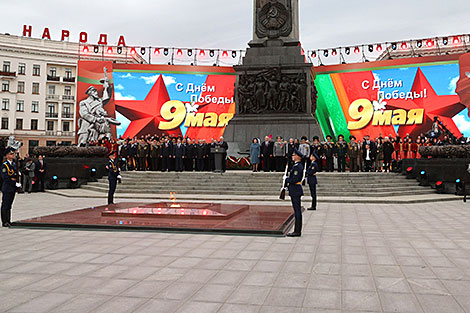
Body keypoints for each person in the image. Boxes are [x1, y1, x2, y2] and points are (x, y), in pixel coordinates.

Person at [284, 149, 304, 237]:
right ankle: (297, 230)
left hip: (295, 190)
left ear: (298, 157)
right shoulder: (296, 165)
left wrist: (287, 179)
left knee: (297, 211)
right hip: (294, 189)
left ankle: (297, 231)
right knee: (296, 210)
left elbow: (295, 179)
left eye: (293, 155)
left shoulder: (297, 166)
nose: (292, 156)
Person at [1, 147, 20, 227]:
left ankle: (8, 220)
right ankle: (4, 221)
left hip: (12, 188)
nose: (13, 155)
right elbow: (5, 177)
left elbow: (15, 174)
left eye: (13, 154)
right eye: (11, 154)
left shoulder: (14, 164)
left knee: (9, 205)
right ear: (7, 155)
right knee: (5, 205)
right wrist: (14, 183)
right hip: (7, 187)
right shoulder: (4, 165)